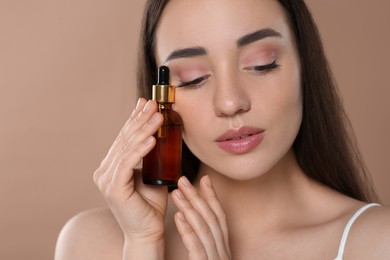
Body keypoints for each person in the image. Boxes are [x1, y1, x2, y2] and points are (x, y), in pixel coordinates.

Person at [55, 0, 390, 259]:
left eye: (261, 64)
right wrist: (143, 245)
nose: (230, 103)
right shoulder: (95, 242)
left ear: (305, 65)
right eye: (193, 79)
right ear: (162, 100)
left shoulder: (377, 243)